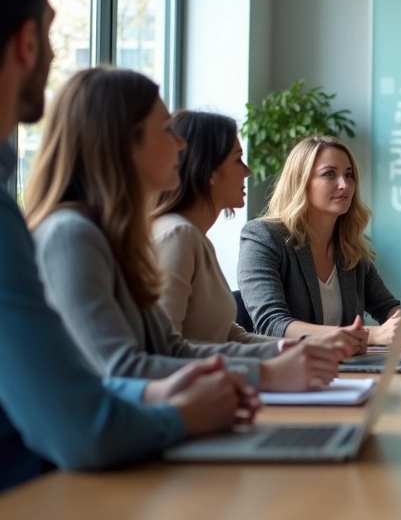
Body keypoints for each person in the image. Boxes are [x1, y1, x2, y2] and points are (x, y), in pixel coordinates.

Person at [0, 0, 252, 492]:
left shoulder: (111, 236)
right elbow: (81, 418)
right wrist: (182, 412)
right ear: (25, 43)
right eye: (49, 34)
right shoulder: (64, 234)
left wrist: (158, 392)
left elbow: (94, 383)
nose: (182, 145)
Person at [25, 67, 346, 392]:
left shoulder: (118, 239)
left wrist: (281, 351)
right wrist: (265, 374)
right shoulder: (73, 236)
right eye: (166, 129)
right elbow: (122, 369)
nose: (180, 145)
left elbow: (171, 349)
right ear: (124, 143)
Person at [238, 136, 401, 354]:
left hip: (346, 368)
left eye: (349, 175)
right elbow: (272, 324)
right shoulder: (263, 237)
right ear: (300, 181)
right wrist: (372, 335)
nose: (344, 184)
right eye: (330, 174)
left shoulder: (349, 247)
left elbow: (385, 306)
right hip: (291, 372)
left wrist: (400, 320)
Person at [151, 110, 278, 344]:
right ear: (209, 170)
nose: (248, 171)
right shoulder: (178, 235)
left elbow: (229, 335)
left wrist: (301, 346)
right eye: (238, 159)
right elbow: (163, 349)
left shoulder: (197, 238)